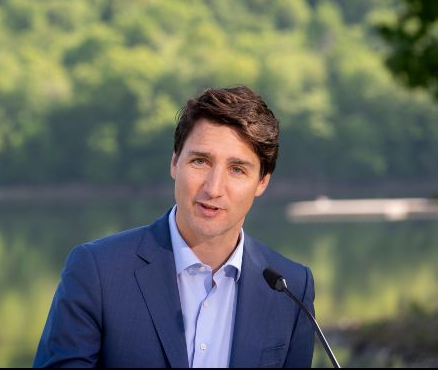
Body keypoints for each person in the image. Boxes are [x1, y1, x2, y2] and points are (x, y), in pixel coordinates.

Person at [33, 85, 315, 368]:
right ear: (174, 163)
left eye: (237, 169)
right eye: (200, 161)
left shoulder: (292, 288)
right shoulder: (96, 271)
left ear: (262, 182)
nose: (214, 188)